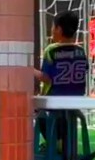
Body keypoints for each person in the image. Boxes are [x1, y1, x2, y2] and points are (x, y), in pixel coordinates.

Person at [34, 10, 89, 143]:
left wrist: (29, 70)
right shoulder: (81, 51)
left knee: (37, 111)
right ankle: (65, 143)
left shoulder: (51, 50)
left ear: (58, 29)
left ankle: (54, 142)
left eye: (53, 26)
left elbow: (46, 78)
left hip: (54, 100)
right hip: (76, 101)